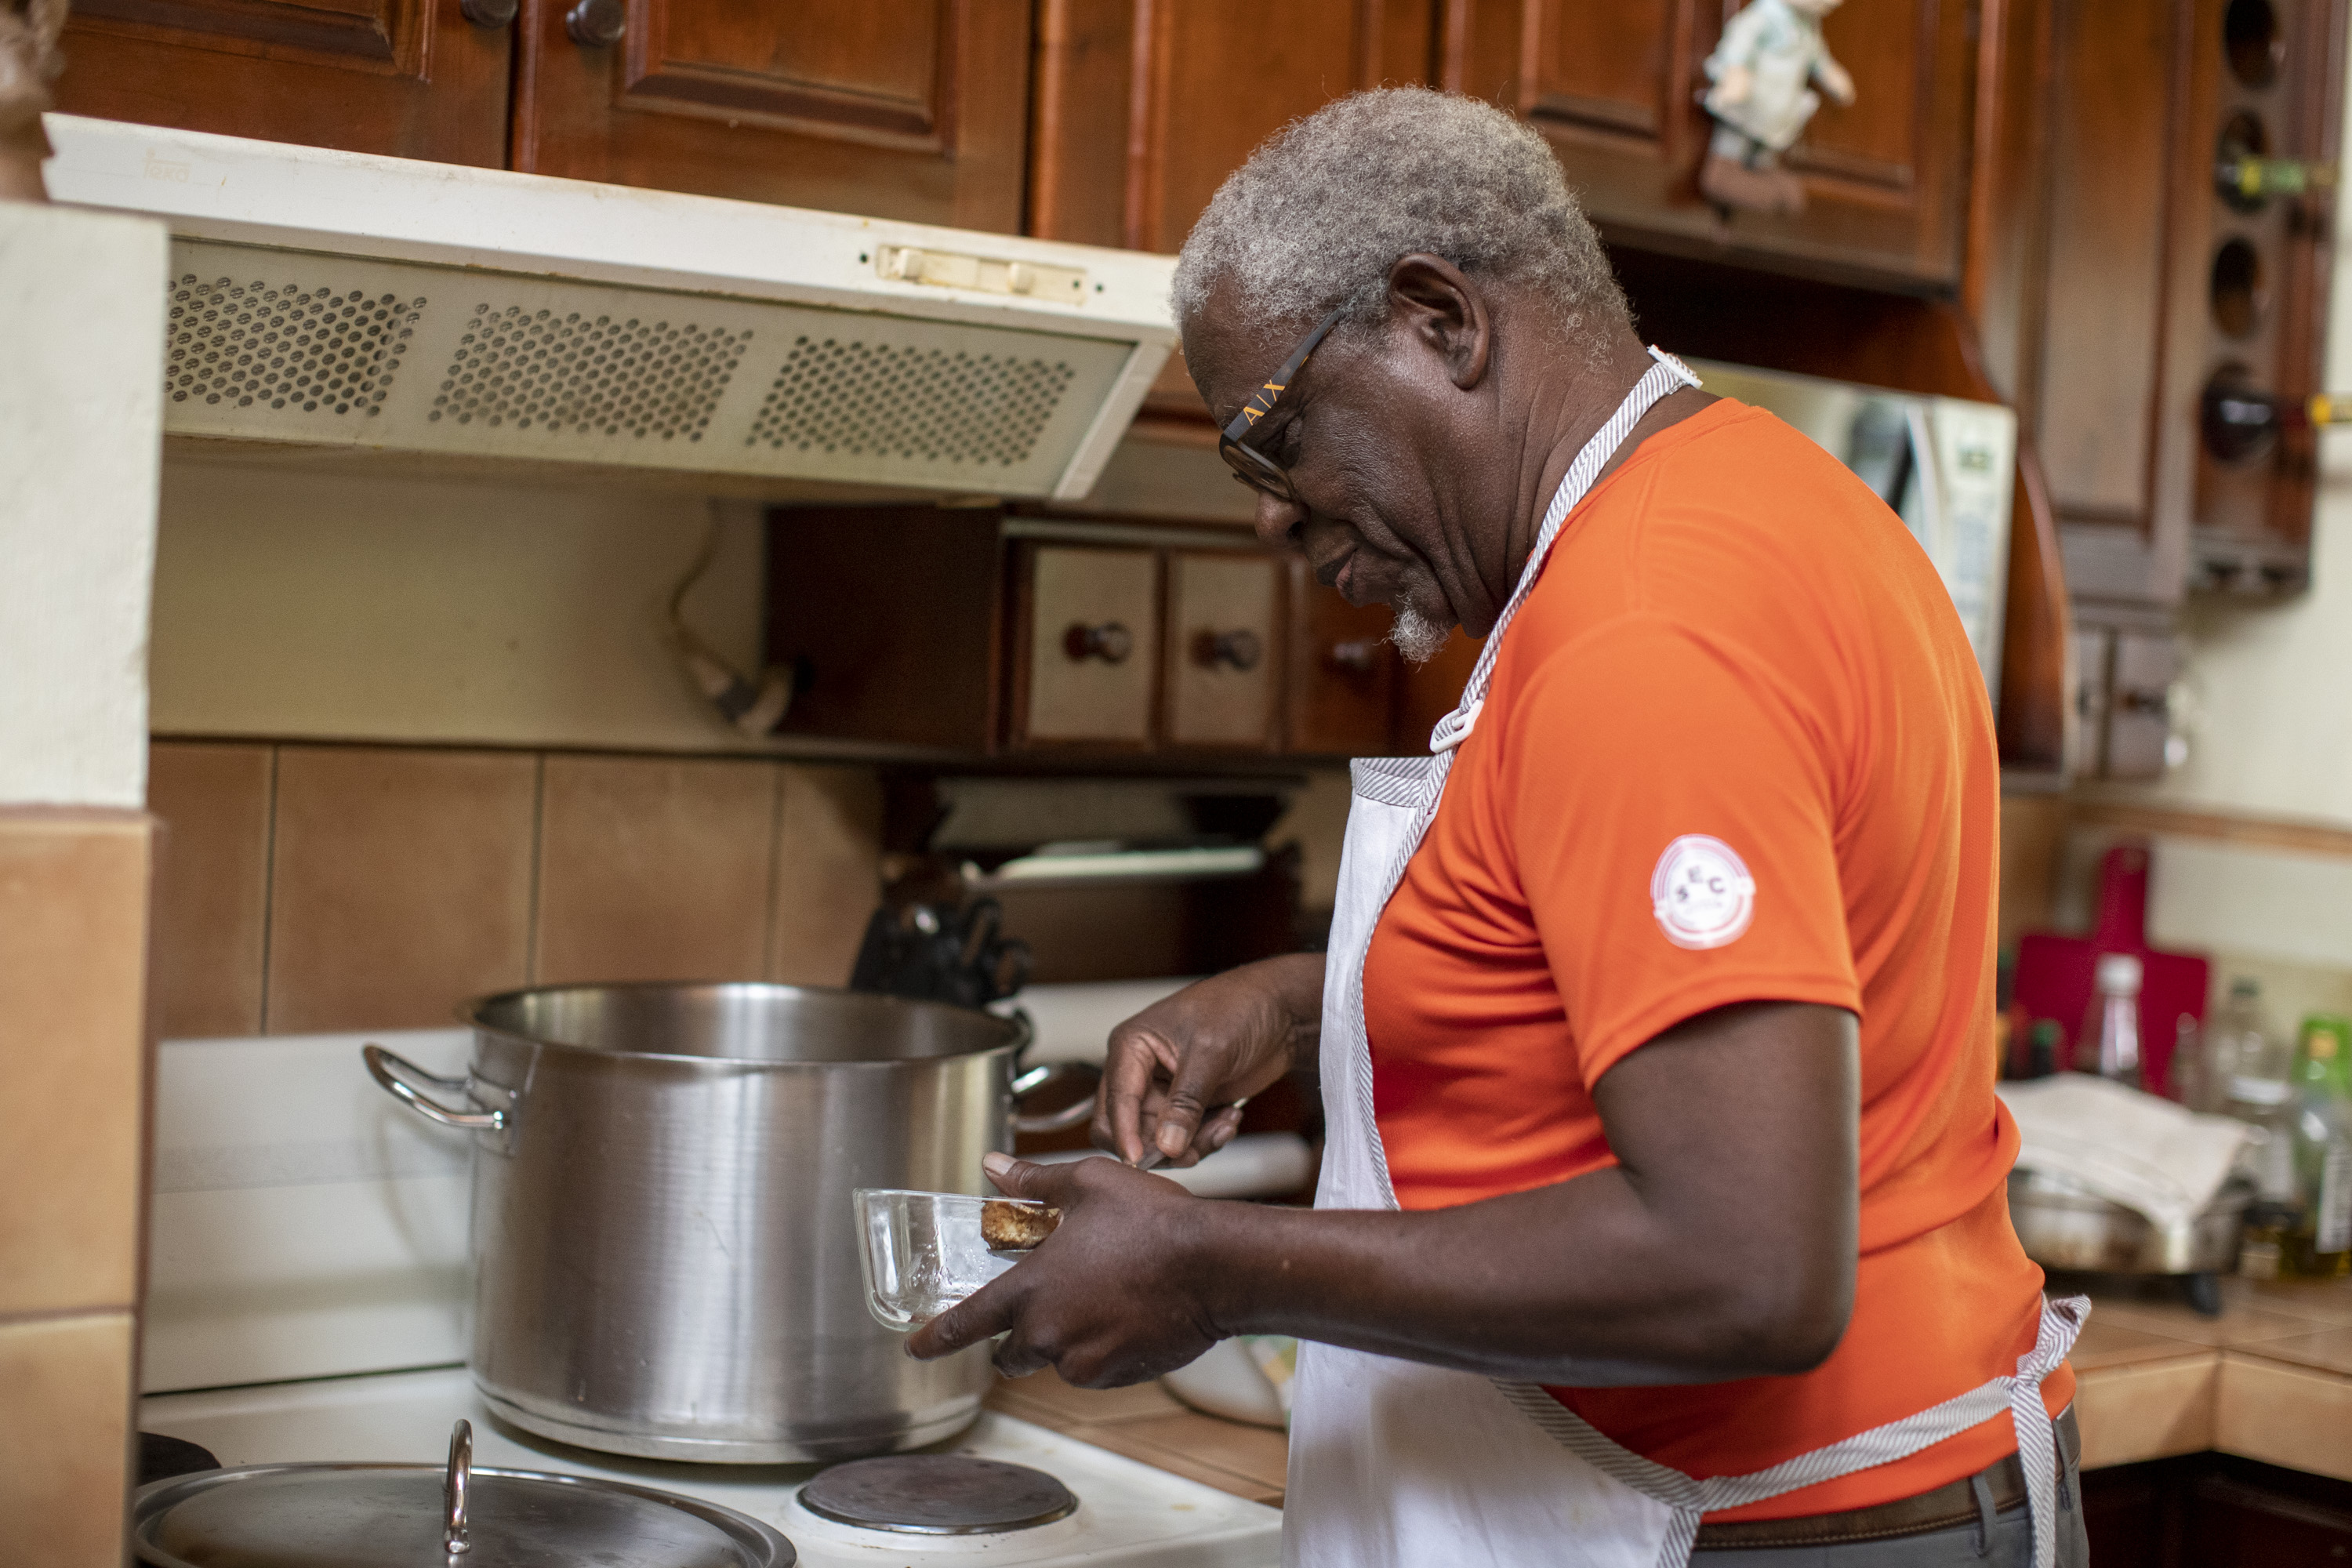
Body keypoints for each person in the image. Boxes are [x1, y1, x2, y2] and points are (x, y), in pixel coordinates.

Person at [910, 89, 2086, 1568]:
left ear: (1438, 323)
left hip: (1772, 1529)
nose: (1269, 517)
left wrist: (1212, 1265)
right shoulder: (1768, 504)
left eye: (1269, 437)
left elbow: (1744, 1266)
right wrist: (1306, 1000)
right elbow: (1614, 946)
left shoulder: (1645, 623)